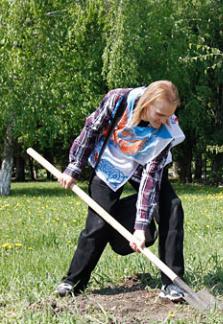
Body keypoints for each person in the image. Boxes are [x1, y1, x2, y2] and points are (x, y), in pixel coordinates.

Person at [56, 80, 189, 302]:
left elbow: (150, 180)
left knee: (172, 207)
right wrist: (74, 167)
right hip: (109, 163)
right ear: (146, 103)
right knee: (98, 222)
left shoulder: (167, 131)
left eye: (169, 116)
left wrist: (139, 228)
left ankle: (172, 284)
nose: (164, 121)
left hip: (142, 168)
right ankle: (73, 282)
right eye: (160, 114)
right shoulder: (118, 100)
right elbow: (91, 129)